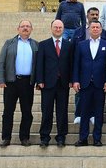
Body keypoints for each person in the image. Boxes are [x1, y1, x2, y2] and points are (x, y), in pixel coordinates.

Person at [0, 20, 38, 147]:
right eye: (23, 26)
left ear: (31, 29)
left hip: (27, 83)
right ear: (18, 29)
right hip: (11, 82)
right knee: (8, 111)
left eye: (28, 26)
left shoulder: (36, 45)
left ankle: (24, 137)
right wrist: (1, 80)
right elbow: (1, 62)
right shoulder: (9, 43)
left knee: (27, 111)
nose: (25, 28)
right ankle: (6, 137)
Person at [72, 21, 106, 147]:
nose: (95, 29)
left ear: (101, 30)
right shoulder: (81, 45)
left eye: (97, 27)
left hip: (100, 84)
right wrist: (75, 80)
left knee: (99, 113)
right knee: (84, 112)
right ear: (89, 29)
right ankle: (83, 138)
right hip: (84, 83)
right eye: (93, 27)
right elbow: (76, 64)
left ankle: (97, 139)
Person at [36, 19, 74, 147]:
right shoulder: (43, 44)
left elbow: (71, 64)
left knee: (62, 111)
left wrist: (71, 80)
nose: (58, 29)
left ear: (63, 29)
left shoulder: (69, 44)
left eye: (60, 27)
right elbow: (39, 63)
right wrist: (39, 80)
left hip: (63, 84)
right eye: (56, 27)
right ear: (51, 28)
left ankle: (61, 136)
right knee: (46, 110)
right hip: (47, 83)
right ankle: (44, 137)